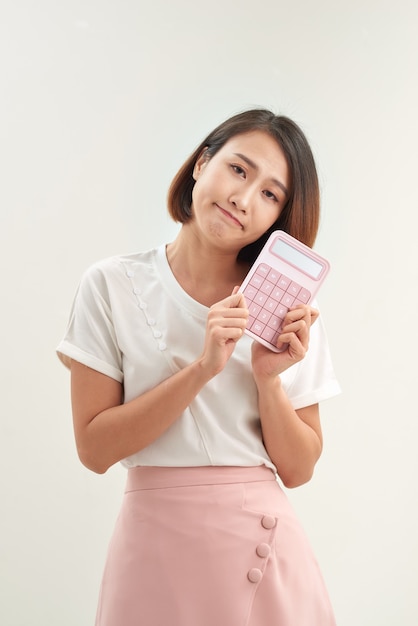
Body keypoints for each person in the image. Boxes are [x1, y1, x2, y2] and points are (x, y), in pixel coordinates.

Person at [57, 108, 341, 626]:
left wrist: (267, 378)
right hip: (153, 554)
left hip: (263, 549)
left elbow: (299, 470)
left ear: (279, 217)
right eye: (238, 170)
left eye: (271, 194)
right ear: (201, 163)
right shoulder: (110, 285)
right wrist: (203, 368)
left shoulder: (287, 313)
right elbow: (94, 449)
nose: (243, 198)